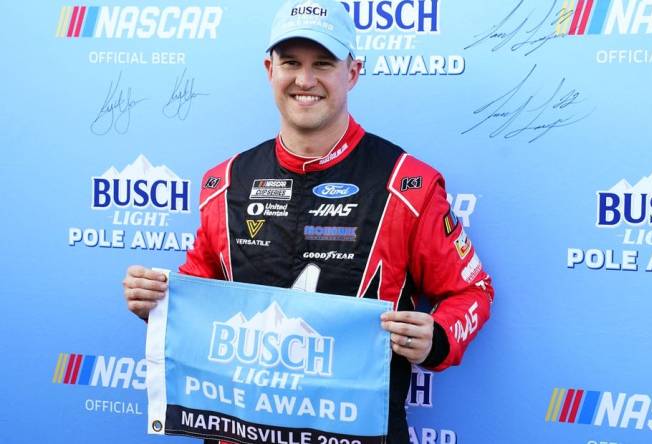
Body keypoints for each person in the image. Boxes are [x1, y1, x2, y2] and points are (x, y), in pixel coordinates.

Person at [122, 0, 494, 442]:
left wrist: (439, 337)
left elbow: (472, 292)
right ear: (269, 69)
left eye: (323, 63)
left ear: (352, 72)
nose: (305, 80)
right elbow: (198, 293)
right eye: (291, 63)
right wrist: (157, 302)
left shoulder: (407, 185)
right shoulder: (224, 184)